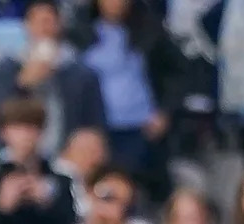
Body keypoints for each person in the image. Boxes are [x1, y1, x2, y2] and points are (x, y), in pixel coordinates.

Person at [73, 0, 184, 184]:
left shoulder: (150, 31)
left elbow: (177, 73)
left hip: (139, 128)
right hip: (96, 127)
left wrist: (165, 111)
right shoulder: (79, 33)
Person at [0, 0, 106, 158]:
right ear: (26, 25)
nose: (43, 28)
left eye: (48, 21)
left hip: (67, 154)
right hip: (16, 154)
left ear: (60, 24)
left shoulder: (81, 72)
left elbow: (94, 122)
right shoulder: (8, 67)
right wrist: (21, 84)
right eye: (37, 22)